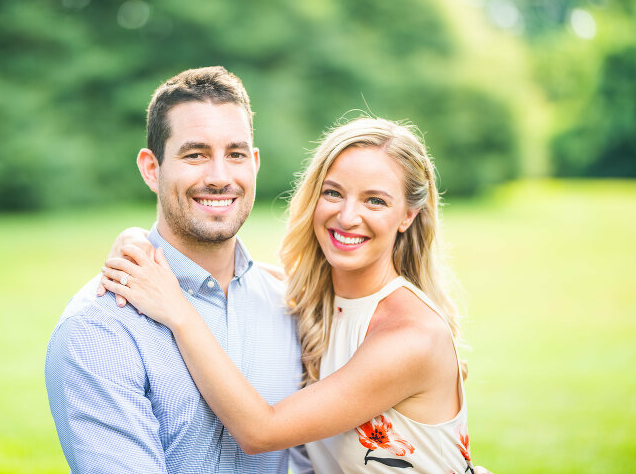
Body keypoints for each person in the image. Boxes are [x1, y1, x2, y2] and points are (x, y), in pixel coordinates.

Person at [100, 116, 481, 473]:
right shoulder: (316, 300)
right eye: (333, 193)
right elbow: (228, 272)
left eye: (375, 201)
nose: (347, 217)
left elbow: (260, 433)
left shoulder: (410, 336)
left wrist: (178, 312)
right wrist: (137, 242)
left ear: (408, 216)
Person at [45, 66, 311, 473]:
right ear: (152, 169)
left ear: (254, 164)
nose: (220, 177)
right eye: (196, 154)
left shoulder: (290, 306)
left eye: (235, 154)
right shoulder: (99, 327)